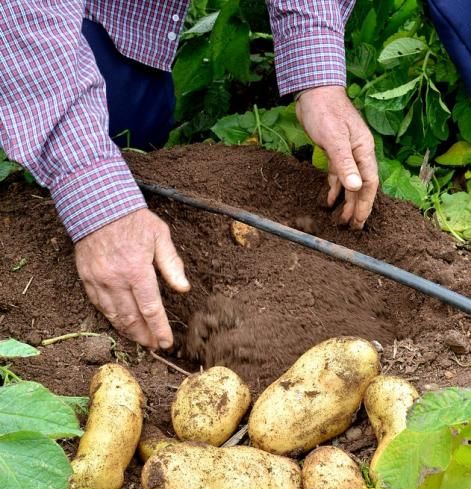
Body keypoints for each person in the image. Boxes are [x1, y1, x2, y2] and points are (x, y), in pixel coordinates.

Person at [1, 1, 378, 350]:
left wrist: (319, 80)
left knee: (135, 128)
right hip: (40, 24)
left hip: (132, 22)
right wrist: (92, 193)